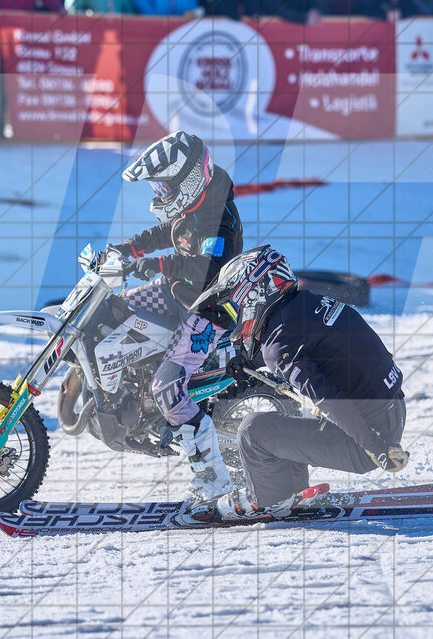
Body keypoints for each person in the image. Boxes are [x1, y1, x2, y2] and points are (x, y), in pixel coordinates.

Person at [189, 245, 408, 520]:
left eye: (236, 306)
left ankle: (268, 500)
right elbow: (322, 351)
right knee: (283, 419)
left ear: (255, 295)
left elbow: (327, 398)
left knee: (253, 430)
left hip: (368, 439)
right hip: (389, 415)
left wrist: (375, 447)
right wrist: (252, 361)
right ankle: (290, 493)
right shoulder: (305, 305)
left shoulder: (278, 343)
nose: (237, 316)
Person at [107, 131, 243, 501]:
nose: (158, 195)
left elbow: (205, 266)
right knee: (113, 313)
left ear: (190, 180)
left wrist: (153, 264)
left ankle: (214, 480)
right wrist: (126, 249)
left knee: (166, 387)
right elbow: (167, 231)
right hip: (177, 295)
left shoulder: (219, 218)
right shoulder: (193, 206)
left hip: (209, 310)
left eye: (163, 187)